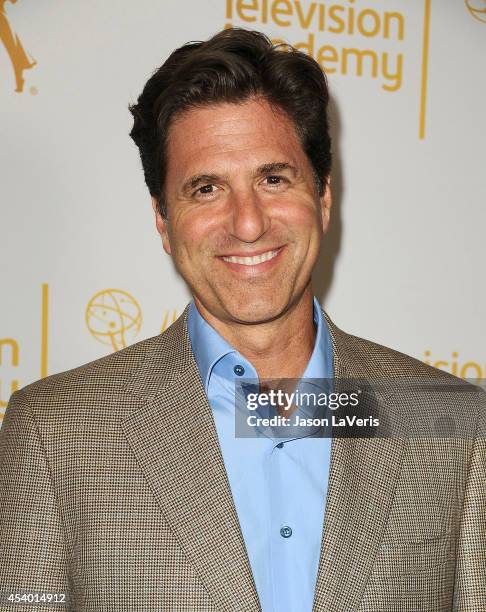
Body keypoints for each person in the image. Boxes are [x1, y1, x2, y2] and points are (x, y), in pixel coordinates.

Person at [0, 27, 484, 612]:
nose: (248, 222)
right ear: (162, 220)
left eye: (273, 179)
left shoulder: (455, 425)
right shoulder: (56, 431)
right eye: (206, 189)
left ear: (323, 198)